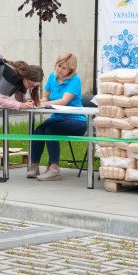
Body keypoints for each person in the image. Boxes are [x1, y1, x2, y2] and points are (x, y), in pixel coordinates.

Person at [29, 53, 87, 181]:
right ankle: (34, 166)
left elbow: (63, 101)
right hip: (57, 117)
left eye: (64, 68)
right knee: (38, 131)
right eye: (58, 66)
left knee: (51, 131)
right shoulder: (52, 77)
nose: (59, 70)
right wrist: (39, 102)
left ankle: (54, 170)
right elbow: (46, 97)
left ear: (71, 70)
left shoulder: (75, 80)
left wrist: (45, 103)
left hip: (76, 120)